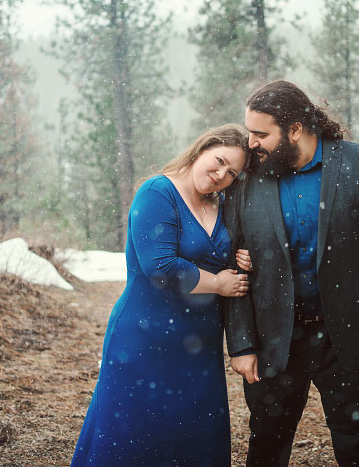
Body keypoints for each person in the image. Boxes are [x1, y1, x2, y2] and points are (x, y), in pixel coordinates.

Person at [223, 81, 359, 467]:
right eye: (249, 132)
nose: (251, 143)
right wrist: (242, 344)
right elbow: (231, 262)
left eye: (261, 133)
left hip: (352, 338)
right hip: (272, 343)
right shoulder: (247, 179)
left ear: (295, 129)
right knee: (265, 452)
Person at [71, 124, 252, 467]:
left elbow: (228, 251)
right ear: (202, 148)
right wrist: (218, 284)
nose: (220, 175)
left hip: (199, 343)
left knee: (194, 437)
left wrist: (246, 257)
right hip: (145, 338)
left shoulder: (222, 203)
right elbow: (161, 267)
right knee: (134, 437)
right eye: (218, 161)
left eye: (232, 173)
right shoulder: (158, 192)